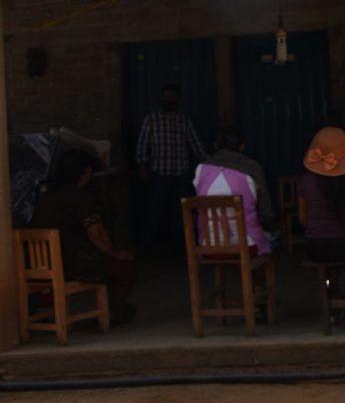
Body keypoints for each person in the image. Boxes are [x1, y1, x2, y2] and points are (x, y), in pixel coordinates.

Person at [31, 149, 138, 324]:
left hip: (41, 264)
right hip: (71, 262)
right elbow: (96, 233)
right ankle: (117, 311)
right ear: (84, 173)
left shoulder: (44, 197)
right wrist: (112, 253)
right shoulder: (79, 196)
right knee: (124, 264)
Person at [300, 126, 345, 293]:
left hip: (316, 247)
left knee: (328, 257)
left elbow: (303, 220)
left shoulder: (307, 181)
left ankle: (331, 291)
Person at [135, 84, 207, 250]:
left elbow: (196, 145)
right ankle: (149, 248)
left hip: (181, 173)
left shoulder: (184, 120)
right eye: (165, 97)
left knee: (180, 213)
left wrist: (212, 162)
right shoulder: (152, 119)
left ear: (178, 99)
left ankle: (180, 247)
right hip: (159, 173)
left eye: (171, 97)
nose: (168, 99)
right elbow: (142, 145)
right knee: (154, 211)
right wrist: (142, 167)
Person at [193, 128, 273, 255]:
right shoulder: (252, 168)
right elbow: (266, 213)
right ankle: (250, 273)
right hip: (246, 245)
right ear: (242, 147)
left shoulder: (201, 169)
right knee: (266, 239)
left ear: (215, 146)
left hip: (208, 243)